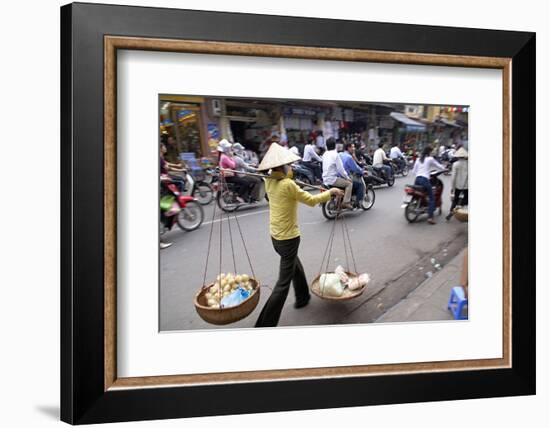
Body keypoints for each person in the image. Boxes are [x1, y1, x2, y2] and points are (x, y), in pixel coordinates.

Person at [254, 143, 343, 327]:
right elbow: (311, 200)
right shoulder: (288, 185)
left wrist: (289, 177)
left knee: (294, 264)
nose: (291, 167)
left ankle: (302, 296)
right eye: (289, 165)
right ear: (282, 167)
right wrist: (331, 192)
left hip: (276, 238)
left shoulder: (269, 181)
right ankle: (264, 325)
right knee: (282, 284)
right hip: (288, 238)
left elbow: (272, 177)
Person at [411, 146, 446, 224]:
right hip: (424, 180)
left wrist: (419, 174)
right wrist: (445, 169)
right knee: (432, 197)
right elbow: (438, 166)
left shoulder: (418, 159)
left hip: (417, 180)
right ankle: (430, 218)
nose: (433, 153)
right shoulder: (430, 159)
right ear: (429, 152)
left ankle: (420, 205)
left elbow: (413, 171)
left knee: (420, 193)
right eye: (432, 151)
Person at [322, 138, 353, 208]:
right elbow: (341, 170)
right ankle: (346, 202)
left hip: (324, 179)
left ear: (327, 146)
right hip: (333, 180)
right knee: (349, 184)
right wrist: (347, 178)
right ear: (335, 145)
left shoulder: (325, 154)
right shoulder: (335, 155)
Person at [446, 145, 468, 220]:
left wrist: (452, 188)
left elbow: (453, 177)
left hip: (458, 186)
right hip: (467, 186)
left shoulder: (455, 164)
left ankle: (451, 212)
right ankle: (461, 208)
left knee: (455, 200)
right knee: (467, 199)